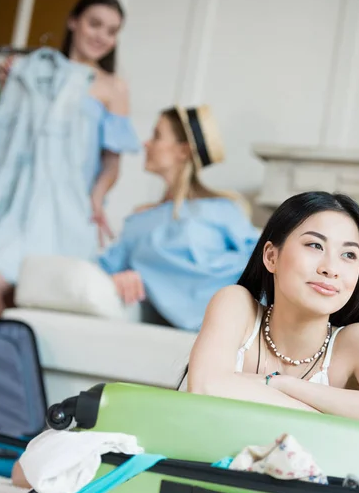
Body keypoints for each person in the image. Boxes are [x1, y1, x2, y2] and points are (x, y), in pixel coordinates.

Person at [0, 0, 140, 317]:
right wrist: (13, 84)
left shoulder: (114, 88)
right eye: (94, 24)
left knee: (17, 288)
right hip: (14, 205)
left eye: (112, 31)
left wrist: (97, 198)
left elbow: (112, 164)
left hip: (67, 210)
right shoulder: (33, 73)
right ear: (73, 21)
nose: (102, 36)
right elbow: (8, 136)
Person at [186, 191, 359, 426]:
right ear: (271, 257)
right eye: (315, 245)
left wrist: (282, 384)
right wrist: (329, 416)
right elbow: (205, 387)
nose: (331, 268)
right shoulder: (236, 304)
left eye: (348, 254)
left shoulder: (358, 341)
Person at [98, 105, 260, 330]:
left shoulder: (222, 209)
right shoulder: (138, 220)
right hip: (167, 331)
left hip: (230, 326)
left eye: (156, 136)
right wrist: (116, 280)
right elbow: (103, 270)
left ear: (183, 151)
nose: (145, 143)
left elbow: (263, 264)